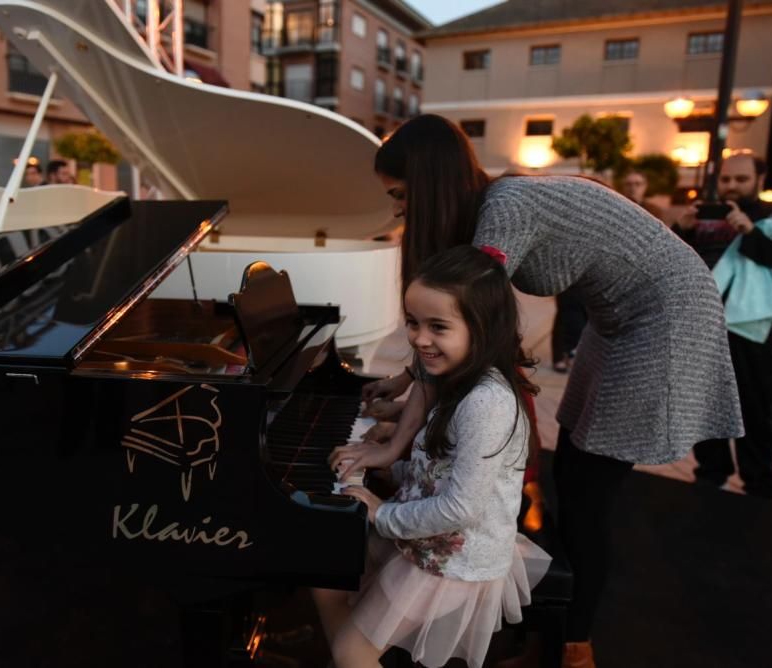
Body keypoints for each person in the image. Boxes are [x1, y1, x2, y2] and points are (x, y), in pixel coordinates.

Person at [339, 114, 742, 668]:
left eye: (401, 195)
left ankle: (573, 644)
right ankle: (554, 622)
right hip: (615, 319)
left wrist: (391, 444)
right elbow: (444, 341)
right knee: (573, 471)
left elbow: (469, 331)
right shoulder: (492, 209)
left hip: (665, 316)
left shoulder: (506, 211)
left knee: (587, 491)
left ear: (430, 183)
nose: (398, 210)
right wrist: (406, 385)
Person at [317, 245, 551, 668]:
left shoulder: (487, 403)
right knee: (324, 577)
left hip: (452, 559)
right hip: (425, 533)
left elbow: (460, 506)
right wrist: (392, 468)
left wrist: (380, 512)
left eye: (437, 327)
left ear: (483, 328)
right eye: (412, 323)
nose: (419, 339)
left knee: (351, 651)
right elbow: (440, 468)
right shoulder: (456, 378)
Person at [674, 152, 772, 499]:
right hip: (708, 327)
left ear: (760, 179)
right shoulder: (705, 215)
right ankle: (711, 473)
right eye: (726, 179)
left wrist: (750, 232)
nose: (732, 186)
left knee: (757, 406)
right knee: (706, 403)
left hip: (759, 332)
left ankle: (758, 482)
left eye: (741, 179)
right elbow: (677, 259)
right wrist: (682, 228)